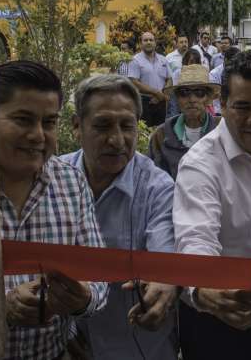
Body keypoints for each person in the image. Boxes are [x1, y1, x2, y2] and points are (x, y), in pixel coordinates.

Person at [173, 50, 251, 360]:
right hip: (221, 320)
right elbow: (195, 239)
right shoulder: (200, 165)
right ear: (222, 106)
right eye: (243, 107)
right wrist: (208, 291)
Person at [0, 60, 108, 360]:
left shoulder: (70, 182)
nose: (38, 135)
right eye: (22, 119)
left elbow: (99, 279)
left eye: (49, 122)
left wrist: (82, 298)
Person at [60, 75, 178, 359]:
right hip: (70, 346)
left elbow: (164, 256)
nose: (116, 140)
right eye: (102, 126)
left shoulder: (158, 188)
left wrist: (162, 286)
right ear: (77, 126)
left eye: (127, 126)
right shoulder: (54, 180)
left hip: (140, 348)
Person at [150, 65, 221, 180]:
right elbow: (155, 179)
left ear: (208, 99)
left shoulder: (222, 129)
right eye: (184, 93)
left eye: (199, 93)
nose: (192, 100)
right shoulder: (161, 134)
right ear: (177, 98)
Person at [128, 31, 172, 127]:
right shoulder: (135, 60)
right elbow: (134, 82)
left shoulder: (163, 59)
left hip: (161, 102)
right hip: (144, 102)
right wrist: (156, 93)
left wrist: (161, 95)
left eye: (151, 40)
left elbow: (169, 79)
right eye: (145, 40)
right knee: (145, 133)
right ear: (141, 44)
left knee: (161, 131)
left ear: (155, 43)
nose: (148, 42)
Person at [167, 48, 204, 119]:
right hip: (179, 101)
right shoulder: (178, 73)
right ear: (185, 61)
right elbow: (174, 92)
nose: (194, 65)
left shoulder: (201, 74)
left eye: (196, 62)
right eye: (192, 62)